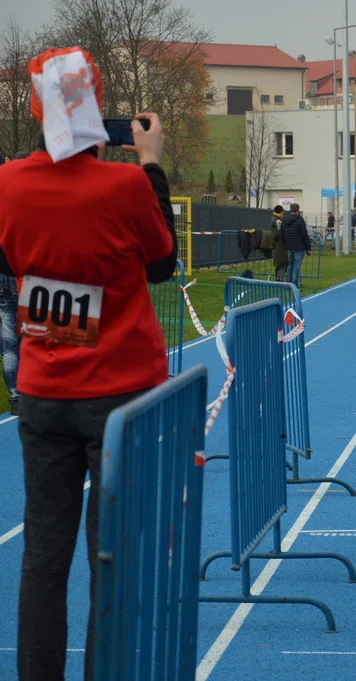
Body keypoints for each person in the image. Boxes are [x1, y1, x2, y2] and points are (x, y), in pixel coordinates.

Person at [0, 47, 177, 680]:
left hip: (43, 393)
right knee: (114, 555)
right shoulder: (126, 184)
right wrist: (151, 165)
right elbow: (161, 265)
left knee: (43, 557)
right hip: (119, 396)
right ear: (96, 107)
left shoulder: (6, 183)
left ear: (34, 107)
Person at [0, 153, 19, 416]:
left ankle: (16, 397)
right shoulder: (17, 194)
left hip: (3, 274)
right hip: (21, 272)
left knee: (10, 341)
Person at [281, 202, 311, 287]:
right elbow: (304, 235)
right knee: (296, 266)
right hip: (299, 246)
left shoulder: (284, 220)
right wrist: (308, 247)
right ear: (298, 210)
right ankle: (294, 283)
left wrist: (285, 244)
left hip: (289, 246)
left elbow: (282, 234)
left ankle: (288, 282)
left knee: (290, 264)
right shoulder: (300, 221)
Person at [270, 205, 288, 282]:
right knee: (282, 261)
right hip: (280, 243)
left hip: (277, 243)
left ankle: (278, 278)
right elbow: (280, 232)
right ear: (281, 211)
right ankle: (280, 279)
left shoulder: (274, 218)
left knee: (279, 261)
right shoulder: (278, 220)